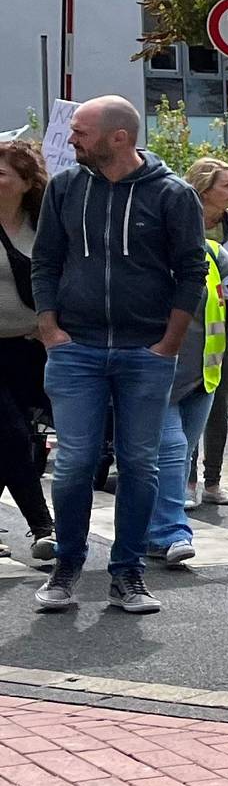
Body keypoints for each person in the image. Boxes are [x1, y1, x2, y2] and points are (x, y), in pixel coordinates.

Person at [29, 96, 206, 617]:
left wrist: (169, 343)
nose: (71, 140)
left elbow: (192, 271)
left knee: (140, 464)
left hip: (145, 350)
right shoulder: (65, 188)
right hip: (75, 348)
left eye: (81, 131)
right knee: (74, 463)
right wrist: (49, 328)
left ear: (118, 137)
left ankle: (127, 573)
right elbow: (45, 261)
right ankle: (66, 567)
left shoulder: (172, 194)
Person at [142, 228, 228, 569]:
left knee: (177, 455)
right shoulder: (141, 251)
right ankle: (172, 533)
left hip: (201, 378)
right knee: (174, 450)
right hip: (153, 374)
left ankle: (151, 532)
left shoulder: (215, 253)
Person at [0, 141, 57, 561]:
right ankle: (43, 526)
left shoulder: (45, 224)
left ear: (24, 181)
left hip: (29, 350)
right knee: (14, 436)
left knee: (15, 441)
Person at [186, 158, 228, 507]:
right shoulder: (180, 222)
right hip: (184, 328)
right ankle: (187, 481)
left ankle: (212, 482)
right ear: (204, 188)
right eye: (226, 184)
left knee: (216, 405)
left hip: (220, 329)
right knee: (184, 403)